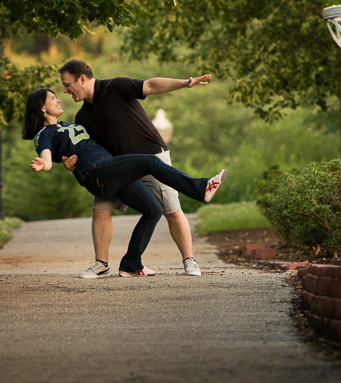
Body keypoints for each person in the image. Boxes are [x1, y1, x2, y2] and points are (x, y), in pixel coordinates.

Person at [23, 89, 227, 278]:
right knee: (149, 161)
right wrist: (44, 164)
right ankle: (201, 188)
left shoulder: (67, 125)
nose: (58, 99)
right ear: (42, 107)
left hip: (111, 172)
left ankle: (131, 264)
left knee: (153, 209)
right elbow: (47, 157)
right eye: (52, 98)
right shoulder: (44, 134)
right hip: (96, 171)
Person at [58, 59, 212, 279]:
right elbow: (87, 151)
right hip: (119, 166)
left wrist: (185, 83)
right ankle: (101, 264)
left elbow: (150, 85)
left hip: (152, 156)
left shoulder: (116, 87)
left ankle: (189, 260)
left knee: (172, 210)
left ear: (82, 79)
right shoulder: (82, 117)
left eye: (67, 84)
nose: (65, 90)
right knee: (100, 207)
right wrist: (70, 165)